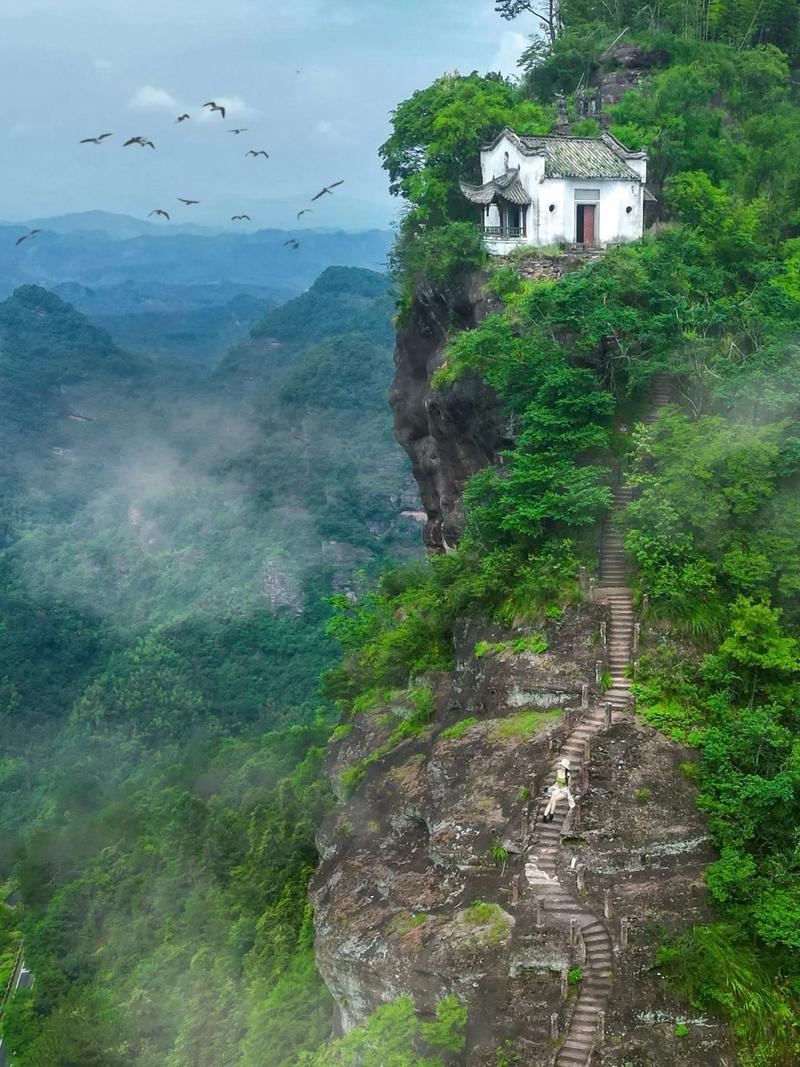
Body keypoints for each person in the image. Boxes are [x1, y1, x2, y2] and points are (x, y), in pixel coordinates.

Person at [542, 758, 575, 823]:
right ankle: (544, 816)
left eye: (563, 766)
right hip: (557, 789)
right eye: (561, 766)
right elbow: (557, 783)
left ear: (566, 768)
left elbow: (568, 785)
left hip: (564, 791)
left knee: (554, 799)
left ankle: (551, 815)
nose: (562, 767)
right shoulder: (558, 771)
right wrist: (550, 788)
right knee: (550, 801)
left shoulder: (568, 775)